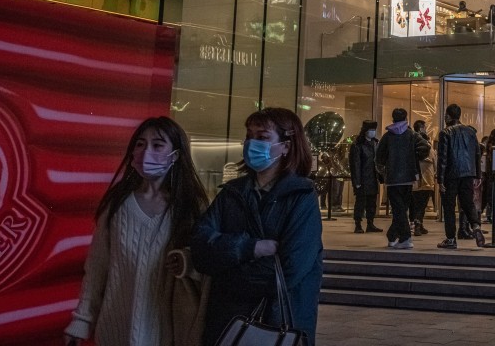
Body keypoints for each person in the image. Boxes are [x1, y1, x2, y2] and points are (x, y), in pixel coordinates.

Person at [65, 117, 209, 346]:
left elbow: (207, 262)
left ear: (176, 155)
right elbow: (96, 267)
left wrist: (187, 262)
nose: (146, 151)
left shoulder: (191, 208)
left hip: (166, 332)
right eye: (140, 144)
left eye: (158, 145)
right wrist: (82, 320)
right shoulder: (117, 204)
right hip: (114, 329)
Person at [192, 107, 323, 346]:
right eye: (249, 136)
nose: (252, 143)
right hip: (227, 324)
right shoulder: (231, 193)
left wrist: (225, 275)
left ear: (286, 146)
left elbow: (291, 267)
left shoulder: (302, 196)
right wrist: (249, 248)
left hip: (279, 322)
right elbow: (200, 248)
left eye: (262, 137)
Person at [376, 108, 430, 249]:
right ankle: (393, 235)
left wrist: (383, 169)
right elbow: (425, 146)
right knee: (402, 208)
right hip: (408, 177)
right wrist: (414, 158)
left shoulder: (388, 136)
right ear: (406, 118)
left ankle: (404, 238)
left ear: (393, 118)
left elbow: (379, 157)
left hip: (393, 178)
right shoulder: (411, 134)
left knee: (398, 209)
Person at [437, 104, 485, 248]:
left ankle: (451, 239)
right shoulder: (471, 132)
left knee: (449, 207)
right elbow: (477, 154)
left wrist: (440, 179)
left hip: (450, 175)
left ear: (447, 116)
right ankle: (476, 226)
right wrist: (477, 175)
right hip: (468, 174)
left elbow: (443, 158)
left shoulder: (445, 132)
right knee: (468, 203)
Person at [349, 120, 382, 234]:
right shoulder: (357, 145)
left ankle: (370, 223)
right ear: (365, 131)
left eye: (374, 130)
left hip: (373, 178)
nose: (373, 132)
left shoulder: (375, 143)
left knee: (372, 203)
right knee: (360, 203)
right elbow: (355, 164)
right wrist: (356, 181)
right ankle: (358, 224)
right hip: (362, 179)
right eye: (371, 130)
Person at [410, 120, 436, 236]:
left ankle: (417, 224)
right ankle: (417, 224)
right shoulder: (425, 144)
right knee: (422, 204)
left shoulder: (411, 143)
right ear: (421, 129)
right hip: (426, 177)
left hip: (415, 179)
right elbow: (433, 159)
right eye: (425, 127)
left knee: (415, 204)